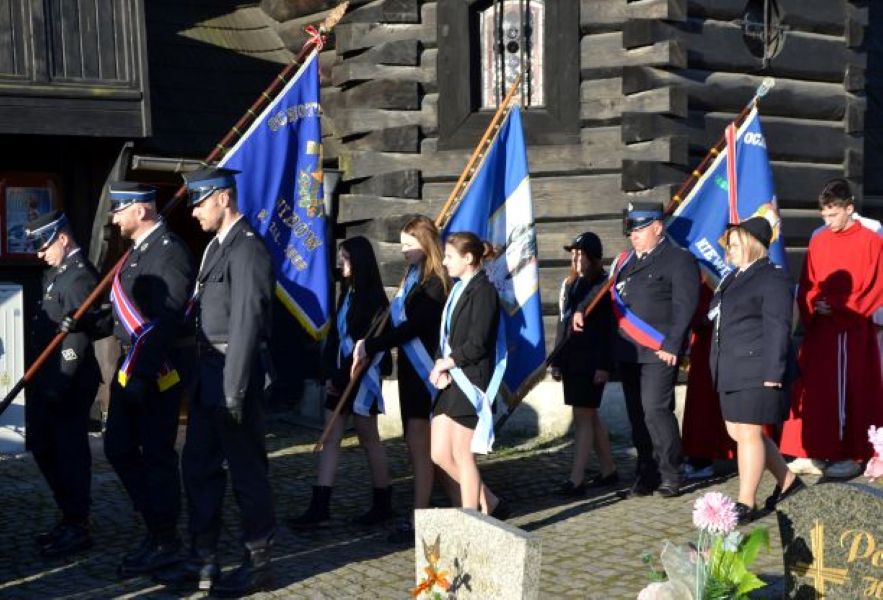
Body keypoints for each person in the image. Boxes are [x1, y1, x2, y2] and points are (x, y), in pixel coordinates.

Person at [154, 168, 277, 596]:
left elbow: (246, 322)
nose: (194, 212)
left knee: (247, 473)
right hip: (208, 376)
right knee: (198, 468)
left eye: (200, 202)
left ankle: (258, 563)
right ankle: (202, 558)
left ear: (224, 198)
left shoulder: (248, 249)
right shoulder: (215, 248)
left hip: (232, 375)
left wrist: (234, 389)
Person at [103, 182, 195, 577]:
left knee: (157, 454)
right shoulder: (138, 252)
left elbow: (167, 319)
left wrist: (142, 373)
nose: (114, 219)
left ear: (140, 210)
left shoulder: (170, 252)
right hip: (132, 365)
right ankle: (155, 522)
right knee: (118, 447)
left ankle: (166, 539)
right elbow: (125, 311)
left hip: (159, 370)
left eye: (118, 210)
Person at [352, 215, 453, 543]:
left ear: (426, 244)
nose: (403, 250)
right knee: (421, 450)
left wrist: (374, 345)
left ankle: (419, 518)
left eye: (409, 244)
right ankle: (486, 504)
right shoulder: (412, 277)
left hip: (426, 372)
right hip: (409, 372)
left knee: (422, 450)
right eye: (401, 244)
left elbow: (414, 327)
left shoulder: (435, 282)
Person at [780, 179, 883, 479]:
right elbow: (808, 281)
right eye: (824, 214)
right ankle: (813, 449)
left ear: (849, 208)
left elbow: (875, 286)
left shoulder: (871, 241)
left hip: (851, 331)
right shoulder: (819, 240)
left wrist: (837, 306)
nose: (827, 221)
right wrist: (815, 303)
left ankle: (850, 453)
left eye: (833, 214)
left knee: (849, 391)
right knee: (813, 390)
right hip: (821, 329)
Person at [289, 236, 393, 529]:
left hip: (362, 377)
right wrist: (329, 374)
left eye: (346, 259)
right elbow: (336, 335)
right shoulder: (346, 292)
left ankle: (383, 503)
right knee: (331, 436)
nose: (341, 264)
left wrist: (341, 377)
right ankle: (320, 506)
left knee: (368, 438)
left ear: (360, 261)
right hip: (339, 374)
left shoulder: (374, 300)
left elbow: (367, 343)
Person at [710, 218, 804, 523]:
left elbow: (779, 326)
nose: (730, 250)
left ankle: (745, 502)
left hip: (758, 367)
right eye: (729, 245)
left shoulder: (772, 278)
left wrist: (774, 371)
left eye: (735, 245)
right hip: (731, 366)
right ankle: (789, 483)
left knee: (749, 433)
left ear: (752, 245)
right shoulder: (732, 277)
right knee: (737, 431)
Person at [24, 211, 102, 558]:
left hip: (69, 381)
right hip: (48, 378)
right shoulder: (59, 273)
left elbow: (78, 338)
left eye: (44, 246)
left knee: (70, 453)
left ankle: (78, 523)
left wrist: (61, 381)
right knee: (43, 446)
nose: (40, 254)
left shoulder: (79, 277)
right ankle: (68, 513)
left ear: (62, 238)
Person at [613, 202, 699, 498]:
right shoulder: (625, 262)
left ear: (658, 227)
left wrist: (674, 343)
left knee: (656, 411)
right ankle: (646, 473)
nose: (633, 235)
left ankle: (671, 472)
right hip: (628, 351)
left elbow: (685, 305)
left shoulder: (678, 259)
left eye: (639, 229)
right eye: (631, 230)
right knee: (637, 415)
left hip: (658, 351)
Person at [428, 232, 507, 517]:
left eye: (450, 257)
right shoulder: (458, 289)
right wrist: (440, 366)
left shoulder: (484, 291)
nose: (444, 262)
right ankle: (490, 501)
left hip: (470, 379)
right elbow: (446, 336)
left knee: (463, 455)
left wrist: (446, 363)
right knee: (439, 454)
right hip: (451, 378)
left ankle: (470, 518)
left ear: (469, 258)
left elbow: (478, 343)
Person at [551, 232, 618, 495]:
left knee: (582, 419)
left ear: (594, 257)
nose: (576, 258)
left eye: (581, 254)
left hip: (592, 363)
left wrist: (604, 366)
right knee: (590, 416)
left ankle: (576, 479)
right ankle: (609, 470)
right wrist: (557, 360)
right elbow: (563, 322)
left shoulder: (604, 285)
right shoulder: (571, 283)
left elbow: (608, 330)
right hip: (572, 359)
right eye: (573, 253)